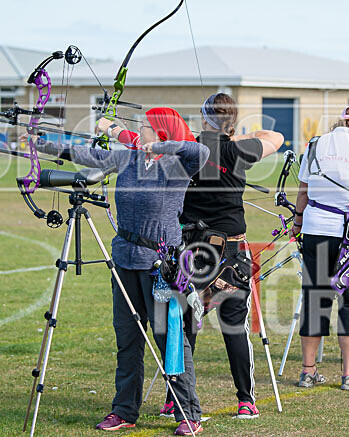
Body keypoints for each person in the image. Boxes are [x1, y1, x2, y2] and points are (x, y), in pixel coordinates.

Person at [43, 108, 209, 435]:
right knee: (128, 340)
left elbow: (200, 150)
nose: (140, 130)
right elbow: (86, 154)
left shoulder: (178, 166)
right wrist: (44, 146)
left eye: (146, 126)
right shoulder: (127, 159)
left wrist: (161, 148)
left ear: (161, 132)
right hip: (125, 260)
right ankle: (124, 410)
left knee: (170, 340)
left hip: (161, 267)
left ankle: (188, 413)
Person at [165, 93, 283, 419]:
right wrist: (233, 136)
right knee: (233, 326)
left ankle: (175, 397)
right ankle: (246, 400)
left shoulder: (188, 148)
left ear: (205, 119)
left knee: (184, 322)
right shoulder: (237, 149)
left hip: (191, 250)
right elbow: (276, 138)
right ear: (232, 122)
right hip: (230, 250)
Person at [291, 104, 349, 390]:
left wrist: (297, 222)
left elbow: (304, 188)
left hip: (317, 228)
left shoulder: (316, 144)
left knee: (316, 298)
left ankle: (308, 371)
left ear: (340, 122)